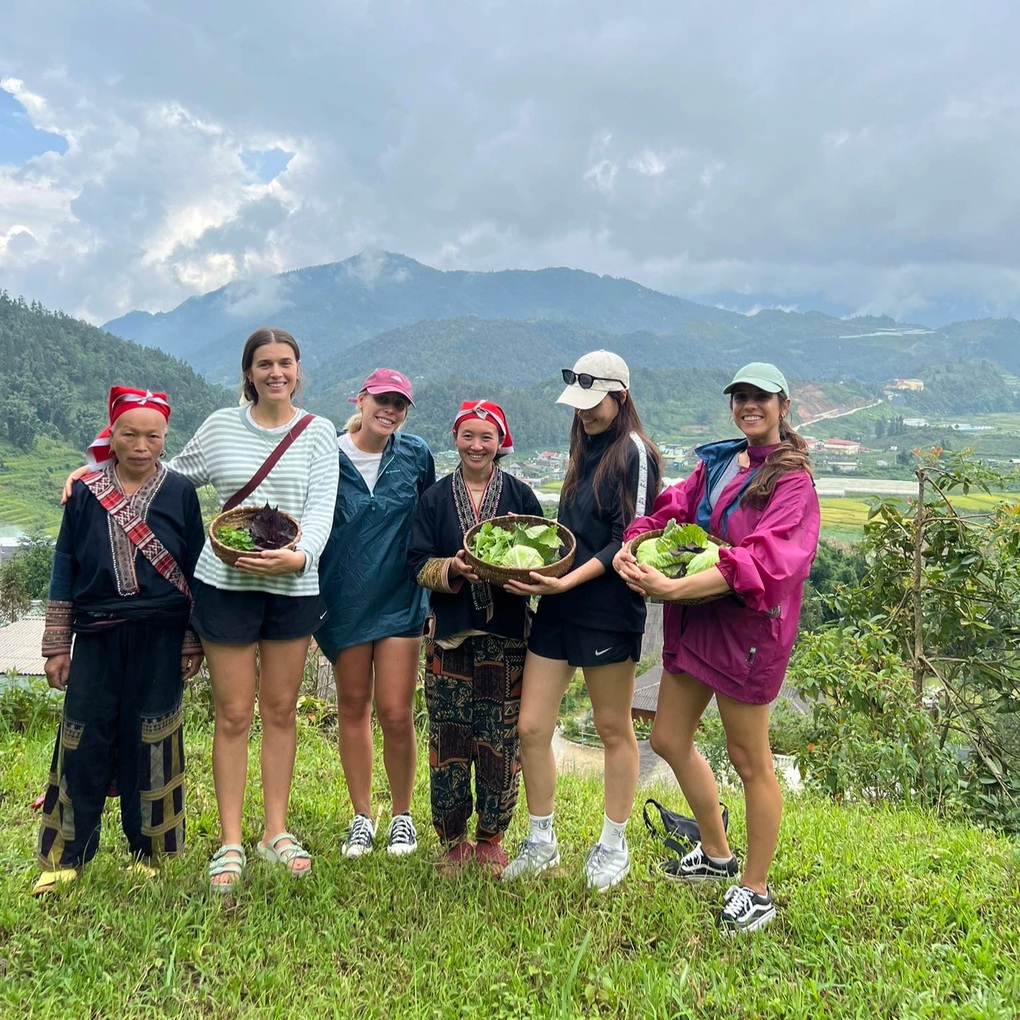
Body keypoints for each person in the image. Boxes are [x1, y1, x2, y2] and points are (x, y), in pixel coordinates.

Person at [67, 329, 340, 889]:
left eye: (285, 363)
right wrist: (92, 471)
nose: (275, 373)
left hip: (292, 586)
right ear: (249, 371)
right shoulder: (220, 426)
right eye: (264, 364)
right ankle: (231, 841)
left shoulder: (318, 432)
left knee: (282, 711)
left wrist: (299, 555)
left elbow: (321, 507)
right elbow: (162, 469)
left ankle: (276, 832)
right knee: (235, 713)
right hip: (225, 585)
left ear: (298, 369)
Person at [614, 362, 819, 934]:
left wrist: (676, 587)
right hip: (702, 622)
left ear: (783, 405)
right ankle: (716, 851)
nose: (748, 406)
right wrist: (635, 543)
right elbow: (675, 509)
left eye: (760, 398)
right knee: (669, 738)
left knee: (750, 758)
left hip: (749, 631)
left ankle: (755, 888)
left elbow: (768, 559)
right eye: (740, 398)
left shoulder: (792, 481)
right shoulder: (722, 461)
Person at [501, 351, 662, 892]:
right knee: (531, 726)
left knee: (613, 727)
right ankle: (542, 839)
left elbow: (633, 534)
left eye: (595, 406)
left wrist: (567, 580)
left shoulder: (635, 451)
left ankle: (613, 843)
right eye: (580, 406)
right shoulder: (583, 445)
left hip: (607, 607)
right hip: (560, 600)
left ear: (621, 398)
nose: (586, 414)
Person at [34, 387, 205, 895]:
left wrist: (191, 639)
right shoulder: (84, 492)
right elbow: (65, 564)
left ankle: (149, 851)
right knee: (82, 738)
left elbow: (196, 569)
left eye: (153, 436)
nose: (140, 445)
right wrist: (56, 644)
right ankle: (67, 854)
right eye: (129, 434)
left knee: (151, 738)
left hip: (161, 634)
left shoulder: (179, 493)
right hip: (97, 634)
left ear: (165, 438)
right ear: (111, 434)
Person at [408, 401, 542, 875]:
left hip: (506, 639)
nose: (477, 446)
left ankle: (492, 836)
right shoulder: (434, 499)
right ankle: (451, 839)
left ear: (500, 442)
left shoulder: (522, 496)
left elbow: (543, 555)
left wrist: (523, 576)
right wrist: (453, 569)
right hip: (450, 638)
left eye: (487, 437)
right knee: (449, 737)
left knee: (499, 738)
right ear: (455, 438)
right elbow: (417, 563)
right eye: (468, 436)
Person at [315, 369, 435, 858]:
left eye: (399, 404)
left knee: (395, 710)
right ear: (360, 400)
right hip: (342, 599)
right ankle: (362, 816)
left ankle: (402, 816)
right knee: (353, 708)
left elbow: (428, 520)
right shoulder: (326, 453)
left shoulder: (415, 454)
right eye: (381, 400)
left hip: (400, 599)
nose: (389, 410)